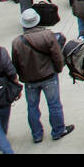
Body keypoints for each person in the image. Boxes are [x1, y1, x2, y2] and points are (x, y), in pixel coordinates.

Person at [11, 8, 75, 144]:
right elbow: (57, 56)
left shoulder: (17, 42)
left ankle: (37, 135)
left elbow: (15, 64)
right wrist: (58, 69)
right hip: (48, 76)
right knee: (54, 105)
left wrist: (22, 77)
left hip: (30, 80)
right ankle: (58, 130)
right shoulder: (47, 35)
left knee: (32, 107)